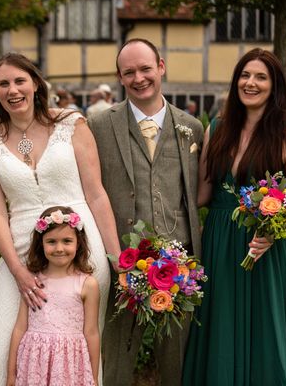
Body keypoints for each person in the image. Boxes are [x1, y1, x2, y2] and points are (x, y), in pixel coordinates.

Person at [0, 52, 120, 385]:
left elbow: (96, 194)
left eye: (20, 80)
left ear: (36, 84)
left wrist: (116, 260)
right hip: (21, 247)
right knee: (4, 334)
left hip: (81, 244)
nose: (13, 90)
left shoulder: (71, 123)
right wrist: (17, 269)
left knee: (79, 340)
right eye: (3, 84)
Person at [182, 48, 286, 385]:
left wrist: (277, 228)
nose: (250, 83)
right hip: (220, 245)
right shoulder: (218, 128)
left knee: (266, 331)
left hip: (266, 249)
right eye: (244, 75)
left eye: (260, 77)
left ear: (275, 85)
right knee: (221, 328)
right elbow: (202, 194)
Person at [88, 38, 204, 386]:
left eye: (145, 69)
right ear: (120, 77)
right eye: (129, 72)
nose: (139, 78)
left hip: (178, 267)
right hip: (120, 263)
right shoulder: (98, 126)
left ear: (161, 67)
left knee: (177, 366)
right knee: (117, 365)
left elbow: (200, 193)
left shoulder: (192, 127)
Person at [7, 206, 100, 386]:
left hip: (69, 365)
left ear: (78, 243)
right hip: (34, 363)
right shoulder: (32, 281)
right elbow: (20, 327)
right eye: (51, 241)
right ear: (41, 243)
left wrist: (93, 378)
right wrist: (11, 374)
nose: (59, 248)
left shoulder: (87, 284)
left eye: (67, 241)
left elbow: (92, 332)